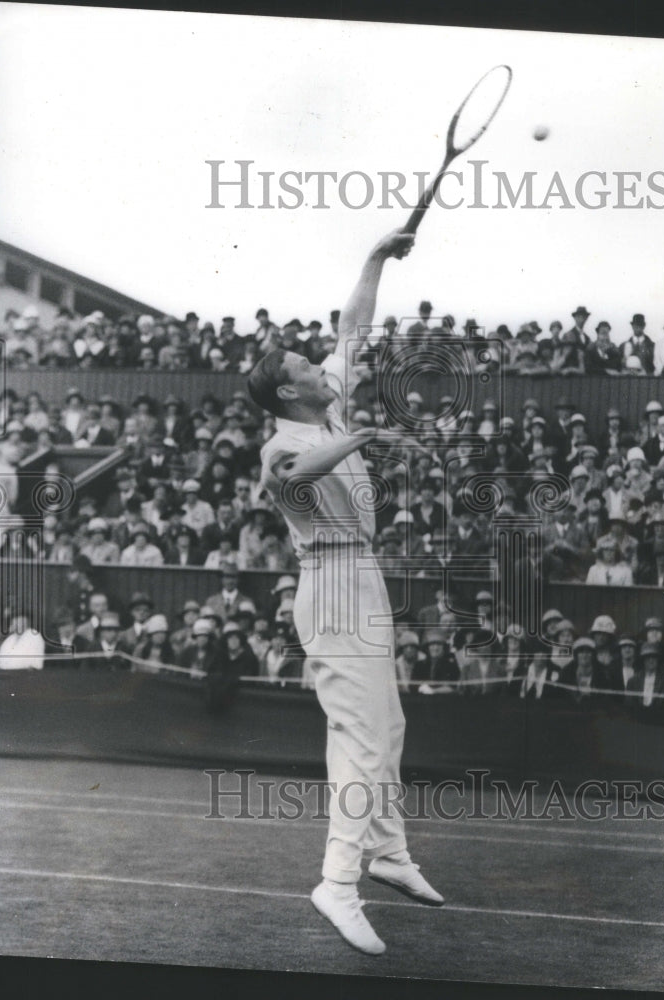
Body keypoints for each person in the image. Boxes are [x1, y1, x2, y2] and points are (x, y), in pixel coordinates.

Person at [248, 228, 442, 955]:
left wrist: (374, 258)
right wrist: (363, 439)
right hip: (328, 583)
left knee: (383, 729)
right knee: (362, 738)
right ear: (288, 390)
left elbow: (353, 326)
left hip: (361, 574)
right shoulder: (283, 443)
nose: (323, 363)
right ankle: (336, 882)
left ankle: (388, 853)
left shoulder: (322, 407)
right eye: (307, 363)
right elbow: (296, 476)